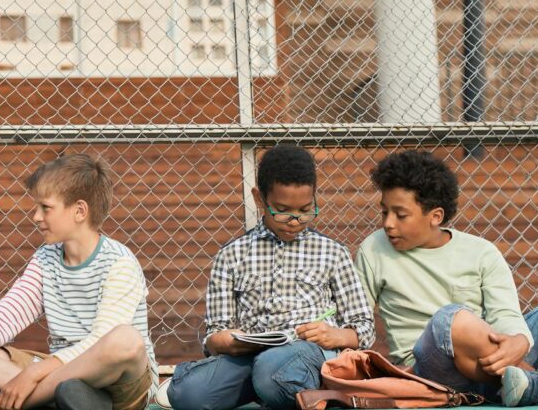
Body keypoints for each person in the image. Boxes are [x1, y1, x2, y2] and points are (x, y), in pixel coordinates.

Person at [356, 150, 538, 407]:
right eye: (384, 212)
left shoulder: (481, 252)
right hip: (430, 370)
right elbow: (359, 320)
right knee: (450, 318)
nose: (389, 223)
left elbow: (505, 313)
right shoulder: (374, 249)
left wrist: (519, 340)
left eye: (400, 215)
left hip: (489, 360)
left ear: (435, 216)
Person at [156, 144, 375, 410]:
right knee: (189, 395)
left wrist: (336, 336)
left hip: (307, 352)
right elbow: (214, 335)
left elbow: (364, 327)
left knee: (273, 371)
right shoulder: (232, 255)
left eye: (306, 209)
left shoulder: (333, 252)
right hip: (251, 356)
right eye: (282, 210)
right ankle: (282, 393)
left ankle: (284, 389)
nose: (295, 220)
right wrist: (225, 341)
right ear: (259, 200)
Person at [0, 154, 157, 410]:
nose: (36, 216)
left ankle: (23, 401)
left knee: (125, 340)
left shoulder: (120, 262)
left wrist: (32, 375)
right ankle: (63, 397)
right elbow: (11, 310)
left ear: (79, 211)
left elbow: (101, 339)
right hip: (59, 373)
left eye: (45, 207)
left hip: (118, 382)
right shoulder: (46, 258)